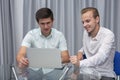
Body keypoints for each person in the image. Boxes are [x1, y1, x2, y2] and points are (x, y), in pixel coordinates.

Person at [16, 7, 70, 80]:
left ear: (53, 21)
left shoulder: (59, 35)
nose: (46, 26)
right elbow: (20, 54)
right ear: (38, 23)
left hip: (54, 72)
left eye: (48, 23)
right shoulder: (31, 34)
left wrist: (51, 61)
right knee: (21, 76)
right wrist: (22, 59)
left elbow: (66, 57)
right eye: (42, 23)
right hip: (34, 72)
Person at [70, 7, 116, 80]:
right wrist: (80, 51)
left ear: (97, 19)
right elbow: (87, 45)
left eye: (87, 21)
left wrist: (80, 63)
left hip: (105, 75)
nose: (84, 25)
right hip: (90, 74)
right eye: (83, 22)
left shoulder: (108, 34)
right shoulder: (86, 33)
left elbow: (101, 57)